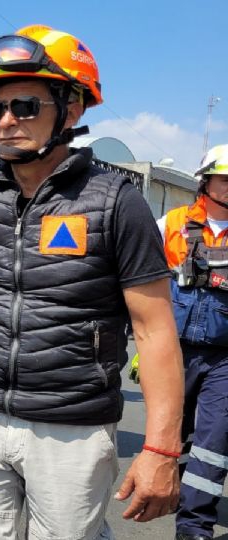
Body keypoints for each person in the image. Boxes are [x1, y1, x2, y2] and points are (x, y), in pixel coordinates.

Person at [0, 25, 184, 538]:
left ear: (72, 110)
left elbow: (155, 329)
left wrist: (162, 448)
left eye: (26, 106)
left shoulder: (116, 202)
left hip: (71, 429)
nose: (7, 121)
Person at [158, 143, 228, 540]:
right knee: (169, 430)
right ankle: (167, 488)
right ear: (206, 181)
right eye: (225, 180)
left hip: (225, 358)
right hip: (173, 350)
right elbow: (139, 277)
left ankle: (194, 527)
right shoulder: (172, 222)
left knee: (214, 440)